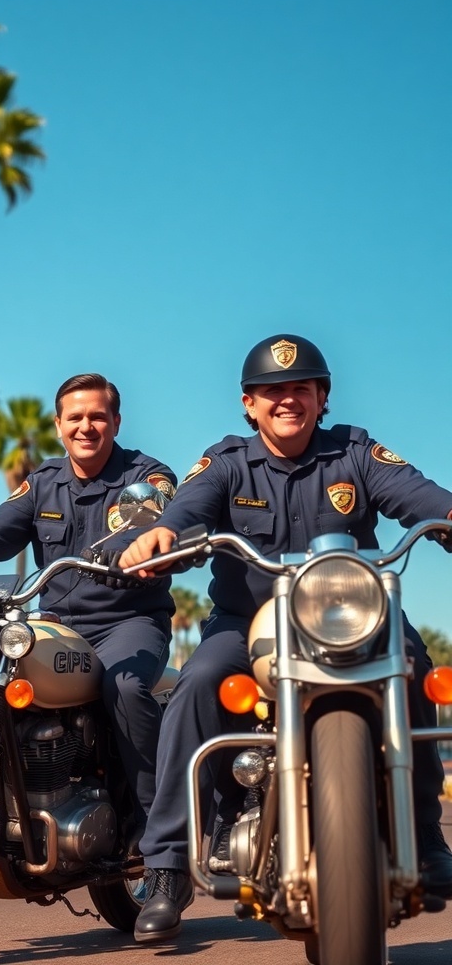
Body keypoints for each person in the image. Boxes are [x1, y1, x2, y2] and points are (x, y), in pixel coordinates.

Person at [118, 334, 452, 943]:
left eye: (301, 388)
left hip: (353, 619)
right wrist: (163, 535)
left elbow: (418, 496)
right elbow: (188, 508)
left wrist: (447, 515)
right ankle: (167, 867)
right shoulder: (227, 462)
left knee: (411, 661)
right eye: (273, 391)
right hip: (249, 626)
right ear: (250, 404)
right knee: (196, 684)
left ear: (322, 398)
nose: (287, 400)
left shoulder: (356, 452)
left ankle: (425, 833)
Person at [0, 372, 177, 852]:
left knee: (122, 685)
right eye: (76, 417)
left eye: (98, 417)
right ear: (59, 424)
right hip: (56, 626)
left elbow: (155, 520)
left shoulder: (146, 478)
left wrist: (126, 550)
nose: (87, 426)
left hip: (127, 623)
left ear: (117, 422)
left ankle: (155, 825)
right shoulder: (43, 483)